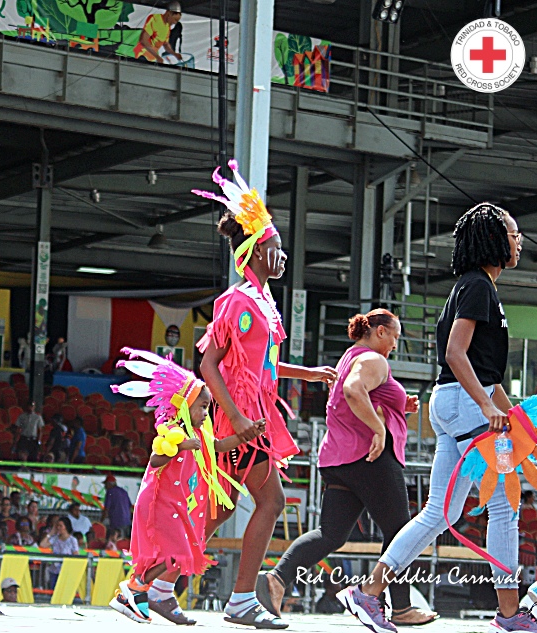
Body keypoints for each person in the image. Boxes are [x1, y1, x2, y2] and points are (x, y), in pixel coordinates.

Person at [345, 203, 536, 633]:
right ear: (491, 238)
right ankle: (509, 616)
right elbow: (456, 353)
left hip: (454, 403)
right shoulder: (478, 288)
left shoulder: (472, 287)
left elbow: (484, 372)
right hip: (467, 405)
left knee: (440, 512)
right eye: (512, 233)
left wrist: (507, 412)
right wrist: (488, 408)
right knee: (504, 508)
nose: (518, 241)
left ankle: (368, 593)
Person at [194, 161, 337, 629]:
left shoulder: (262, 302)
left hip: (255, 416)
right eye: (275, 250)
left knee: (220, 508)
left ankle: (149, 582)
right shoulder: (238, 302)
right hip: (241, 419)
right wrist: (234, 418)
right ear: (256, 253)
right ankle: (239, 601)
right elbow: (208, 364)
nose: (282, 257)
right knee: (267, 503)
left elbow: (264, 367)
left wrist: (307, 374)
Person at [257, 310, 437, 626]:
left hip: (338, 460)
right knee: (400, 532)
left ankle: (276, 579)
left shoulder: (349, 356)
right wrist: (380, 430)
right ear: (380, 331)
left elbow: (354, 397)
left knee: (331, 534)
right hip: (370, 459)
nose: (395, 344)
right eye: (394, 336)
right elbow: (355, 391)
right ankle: (402, 607)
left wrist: (398, 407)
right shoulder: (373, 360)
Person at [109, 347, 248, 625]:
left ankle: (135, 591)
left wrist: (245, 435)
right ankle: (135, 587)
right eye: (202, 406)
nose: (206, 413)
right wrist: (182, 444)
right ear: (184, 405)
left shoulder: (199, 433)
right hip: (161, 504)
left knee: (178, 555)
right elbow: (156, 458)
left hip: (178, 506)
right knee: (177, 554)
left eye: (208, 407)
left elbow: (218, 446)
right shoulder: (173, 429)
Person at [40, 515, 79, 588]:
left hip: (66, 571)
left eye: (61, 526)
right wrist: (51, 533)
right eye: (57, 526)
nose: (58, 528)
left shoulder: (72, 540)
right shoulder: (55, 538)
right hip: (54, 570)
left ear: (66, 527)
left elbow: (76, 555)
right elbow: (42, 545)